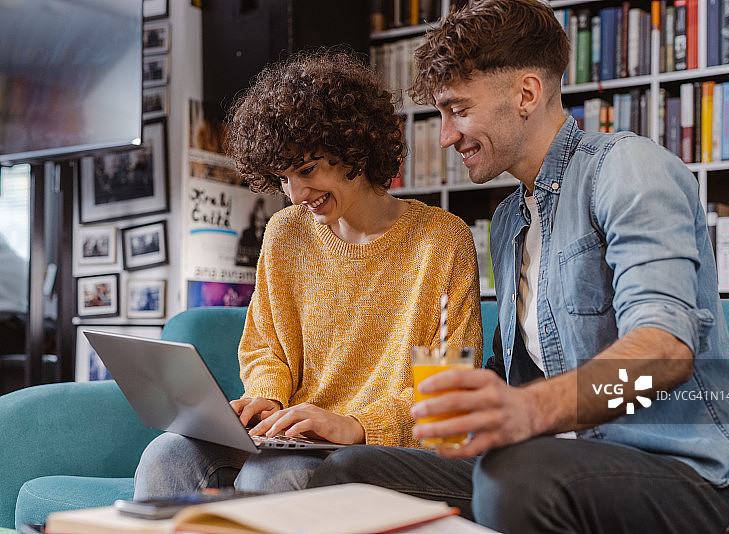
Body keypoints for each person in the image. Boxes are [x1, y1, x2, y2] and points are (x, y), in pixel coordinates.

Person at [307, 2, 729, 533]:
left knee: (517, 476)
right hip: (552, 468)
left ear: (526, 94)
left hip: (693, 481)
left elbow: (664, 351)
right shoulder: (508, 222)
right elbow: (517, 377)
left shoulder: (626, 168)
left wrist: (528, 411)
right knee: (347, 473)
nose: (445, 136)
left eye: (457, 109)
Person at [133, 50, 483, 499]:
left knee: (271, 477)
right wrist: (267, 398)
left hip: (369, 446)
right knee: (166, 455)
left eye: (307, 169)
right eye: (282, 178)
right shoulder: (284, 232)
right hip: (287, 434)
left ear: (354, 147)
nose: (296, 194)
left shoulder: (441, 239)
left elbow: (446, 395)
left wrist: (354, 424)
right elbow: (264, 348)